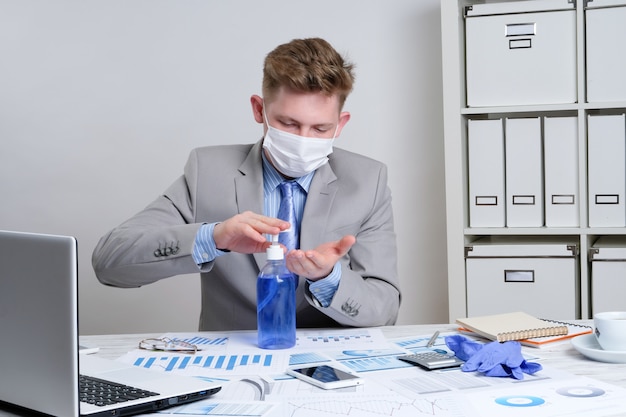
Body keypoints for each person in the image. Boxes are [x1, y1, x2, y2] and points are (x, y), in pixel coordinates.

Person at [92, 38, 400, 331]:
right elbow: (110, 262)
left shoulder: (367, 182)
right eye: (288, 124)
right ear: (258, 109)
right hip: (231, 368)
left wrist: (328, 277)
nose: (303, 140)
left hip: (328, 370)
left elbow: (384, 311)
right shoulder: (209, 172)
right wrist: (213, 238)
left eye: (321, 128)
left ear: (341, 124)